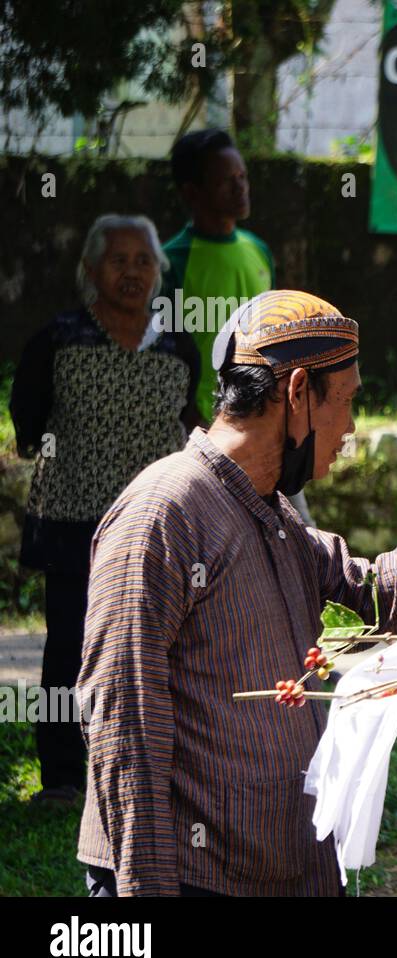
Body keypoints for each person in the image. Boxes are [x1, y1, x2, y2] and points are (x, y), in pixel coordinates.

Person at [75, 290, 397, 896]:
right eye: (344, 402)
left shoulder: (274, 514)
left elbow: (368, 596)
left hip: (271, 874)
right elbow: (122, 721)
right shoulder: (164, 514)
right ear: (297, 393)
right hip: (190, 880)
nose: (350, 428)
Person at [8, 215, 201, 803]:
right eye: (118, 260)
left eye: (143, 260)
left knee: (161, 645)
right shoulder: (57, 340)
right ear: (91, 270)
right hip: (74, 523)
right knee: (70, 646)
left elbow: (190, 423)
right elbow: (27, 426)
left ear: (158, 271)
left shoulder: (176, 344)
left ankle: (154, 768)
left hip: (155, 527)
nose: (132, 272)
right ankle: (64, 776)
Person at [161, 129, 274, 422]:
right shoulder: (170, 262)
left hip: (256, 415)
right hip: (195, 422)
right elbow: (163, 356)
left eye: (243, 177)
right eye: (226, 181)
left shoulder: (259, 250)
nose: (240, 188)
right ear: (192, 192)